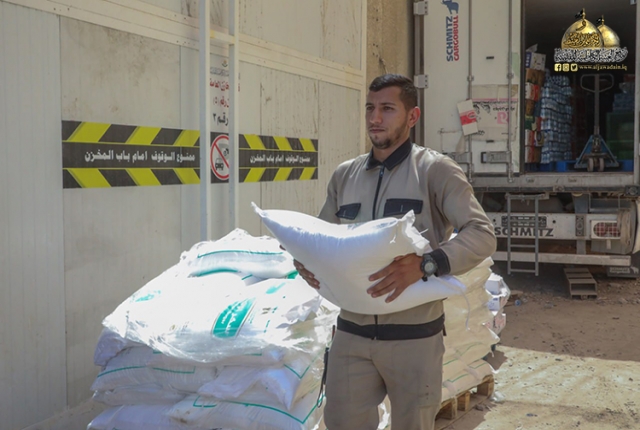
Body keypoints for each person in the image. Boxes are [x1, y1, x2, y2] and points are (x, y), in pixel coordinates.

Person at [294, 74, 497, 430]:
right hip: (352, 336)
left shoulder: (434, 171)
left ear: (412, 116)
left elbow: (481, 233)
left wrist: (426, 264)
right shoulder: (345, 175)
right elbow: (323, 237)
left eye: (387, 109)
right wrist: (307, 261)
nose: (375, 118)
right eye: (370, 108)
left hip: (414, 338)